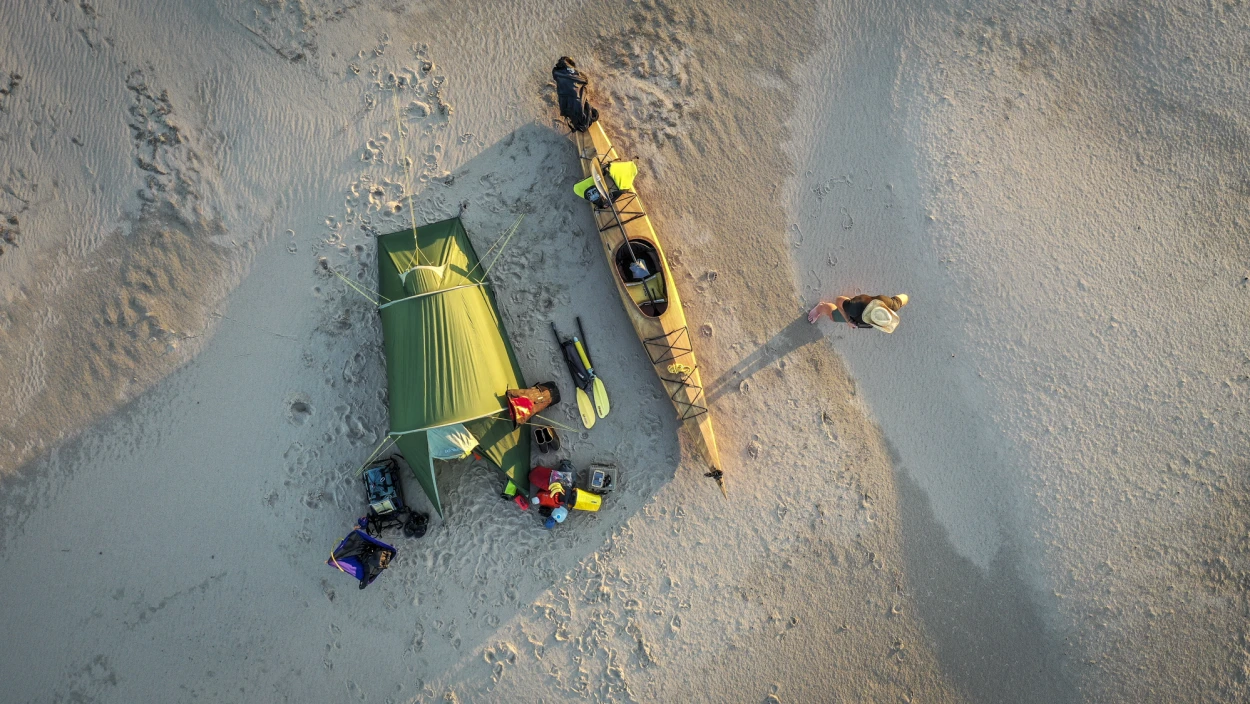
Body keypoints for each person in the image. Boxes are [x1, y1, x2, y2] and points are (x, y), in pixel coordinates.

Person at [808, 294, 909, 333]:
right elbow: (838, 300)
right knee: (833, 316)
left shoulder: (891, 305)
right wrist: (848, 320)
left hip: (863, 306)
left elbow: (905, 297)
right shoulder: (854, 309)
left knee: (847, 305)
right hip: (857, 307)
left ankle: (848, 302)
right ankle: (820, 308)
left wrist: (902, 303)